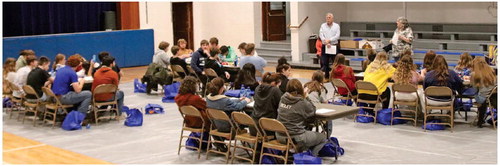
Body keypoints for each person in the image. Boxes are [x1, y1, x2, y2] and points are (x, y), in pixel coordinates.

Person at [277, 79, 328, 156]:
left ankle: (297, 152)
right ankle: (311, 157)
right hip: (296, 137)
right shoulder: (302, 102)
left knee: (306, 130)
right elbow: (312, 111)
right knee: (323, 137)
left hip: (280, 136)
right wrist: (306, 97)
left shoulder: (283, 98)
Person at [471, 57, 497, 128]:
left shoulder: (474, 74)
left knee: (474, 93)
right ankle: (481, 119)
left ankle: (480, 119)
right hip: (492, 96)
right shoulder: (492, 71)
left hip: (481, 98)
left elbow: (474, 89)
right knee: (483, 96)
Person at [319, 13, 340, 78]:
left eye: (329, 17)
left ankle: (335, 76)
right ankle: (326, 76)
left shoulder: (336, 26)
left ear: (332, 19)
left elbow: (337, 36)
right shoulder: (323, 25)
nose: (328, 19)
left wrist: (330, 40)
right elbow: (321, 34)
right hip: (325, 45)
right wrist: (325, 41)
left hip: (333, 45)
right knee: (325, 62)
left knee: (335, 62)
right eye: (327, 17)